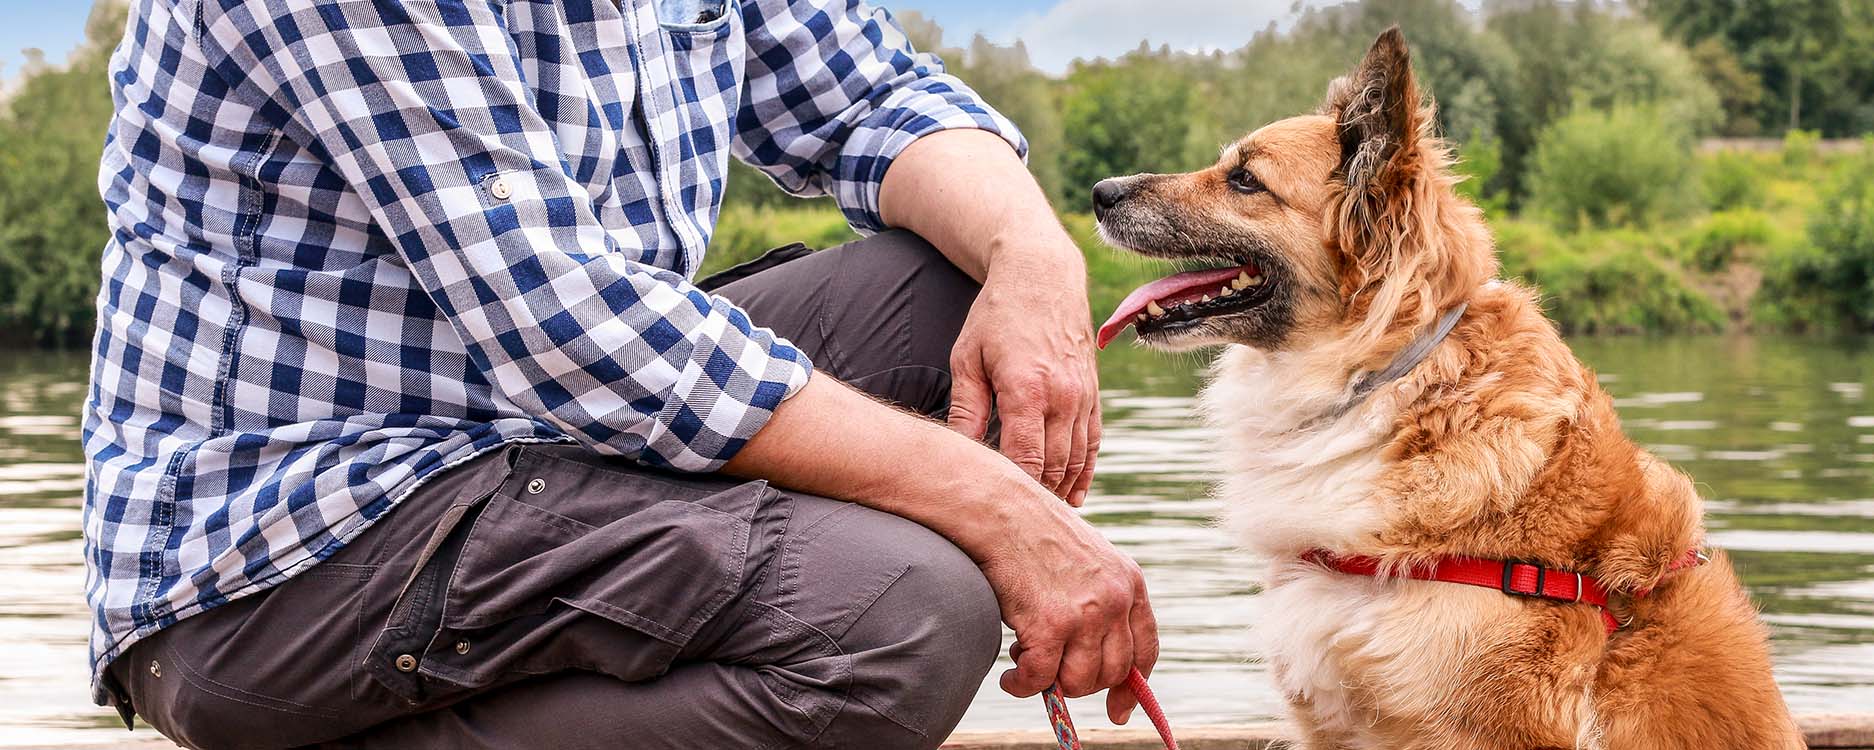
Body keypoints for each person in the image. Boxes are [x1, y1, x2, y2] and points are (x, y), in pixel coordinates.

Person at [82, 0, 1156, 746]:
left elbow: (870, 95)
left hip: (537, 430)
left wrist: (1034, 259)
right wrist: (1003, 517)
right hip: (289, 553)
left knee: (954, 287)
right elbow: (562, 319)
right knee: (903, 618)